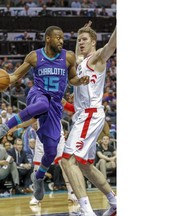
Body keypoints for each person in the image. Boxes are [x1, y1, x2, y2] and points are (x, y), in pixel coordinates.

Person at [0, 25, 89, 201]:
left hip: (55, 106)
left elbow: (72, 78)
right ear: (48, 38)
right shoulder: (34, 56)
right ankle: (4, 127)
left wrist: (79, 81)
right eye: (57, 37)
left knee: (50, 151)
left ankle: (39, 178)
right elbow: (14, 77)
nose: (61, 40)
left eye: (62, 38)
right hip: (38, 95)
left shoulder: (68, 57)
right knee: (42, 103)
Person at [61, 21, 117, 216]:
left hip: (89, 115)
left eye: (84, 40)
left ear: (93, 42)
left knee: (67, 160)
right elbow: (77, 54)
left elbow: (111, 45)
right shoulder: (81, 62)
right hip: (86, 116)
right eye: (79, 40)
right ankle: (115, 203)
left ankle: (86, 211)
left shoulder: (96, 59)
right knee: (85, 165)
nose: (81, 42)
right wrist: (80, 32)